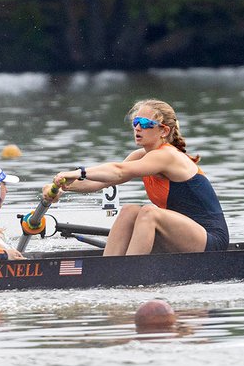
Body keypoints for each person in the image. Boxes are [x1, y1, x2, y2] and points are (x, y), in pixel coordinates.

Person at [45, 99, 229, 256]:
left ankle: (128, 274)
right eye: (135, 122)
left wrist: (79, 172)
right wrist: (62, 188)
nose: (138, 127)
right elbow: (100, 181)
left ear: (164, 131)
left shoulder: (167, 156)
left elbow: (118, 170)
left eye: (146, 123)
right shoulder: (140, 156)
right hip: (178, 234)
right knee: (130, 210)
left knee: (149, 212)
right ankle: (106, 270)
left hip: (210, 240)